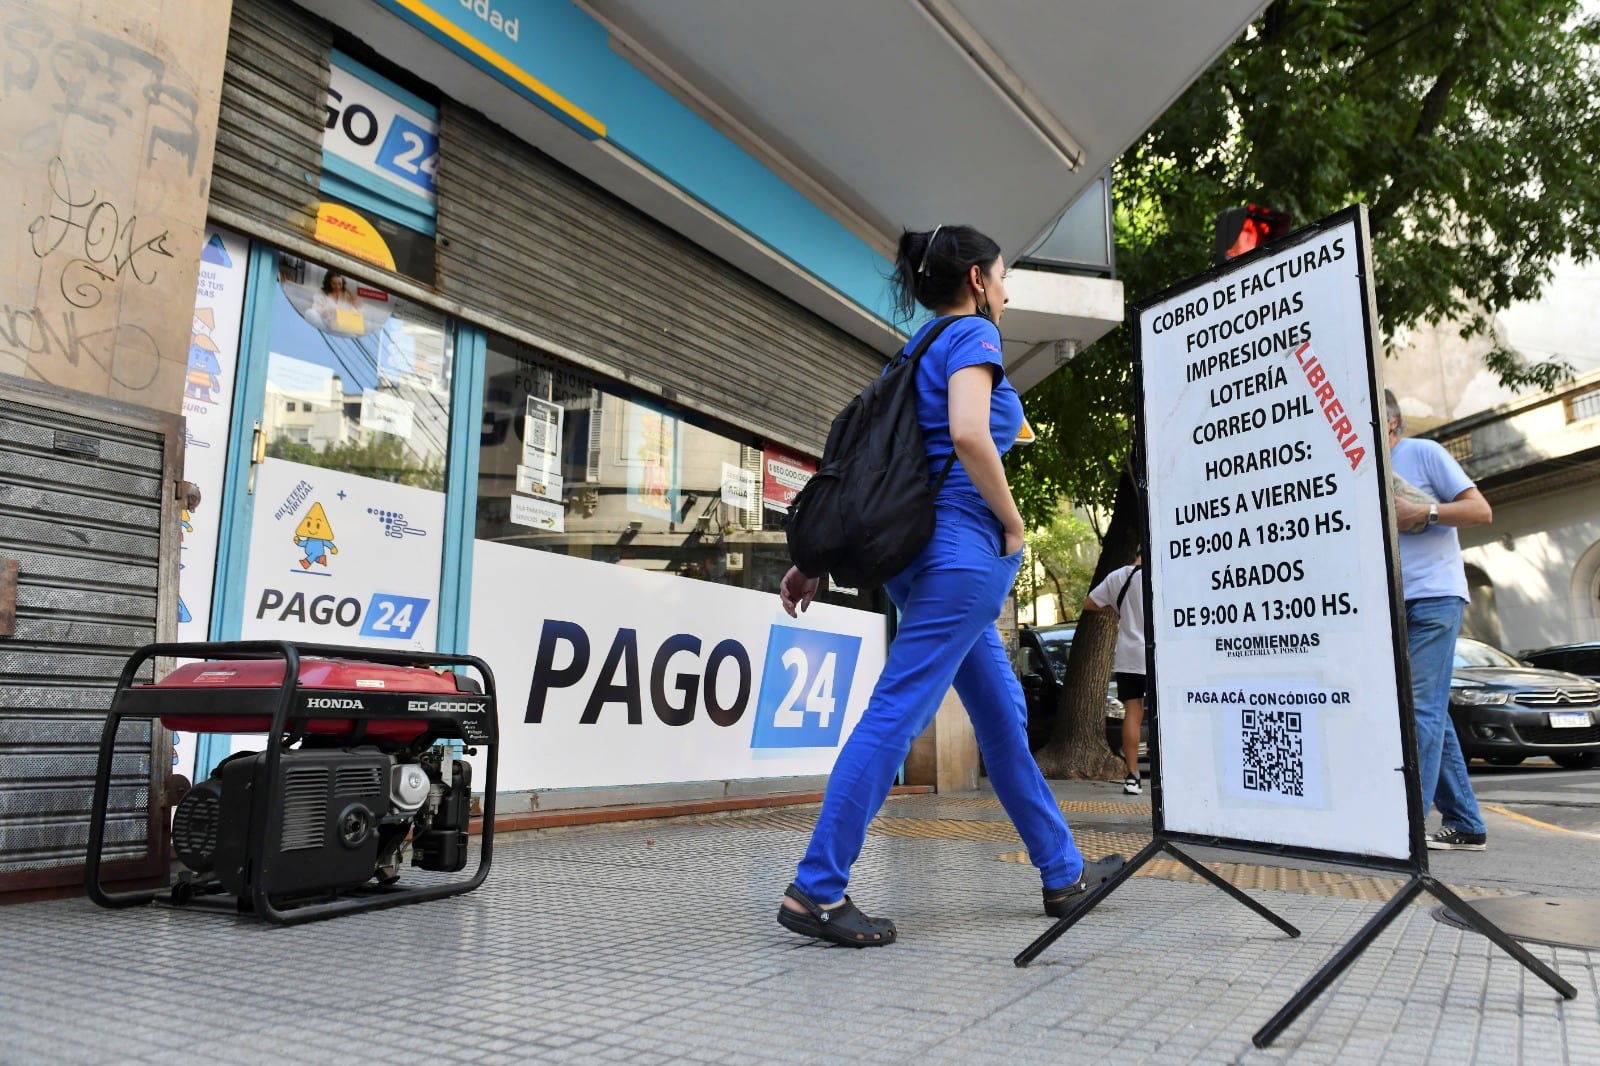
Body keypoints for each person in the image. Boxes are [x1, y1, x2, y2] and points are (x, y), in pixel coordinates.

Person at [775, 225, 1122, 947]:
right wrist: (1013, 522)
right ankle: (816, 889)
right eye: (1002, 276)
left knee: (1001, 719)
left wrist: (816, 559)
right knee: (894, 714)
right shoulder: (972, 336)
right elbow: (968, 434)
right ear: (975, 280)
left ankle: (1062, 871)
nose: (1007, 292)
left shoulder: (913, 353)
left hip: (919, 562)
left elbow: (875, 467)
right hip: (960, 558)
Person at [1386, 389, 1494, 850]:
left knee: (1418, 707)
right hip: (1391, 603)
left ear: (1390, 421)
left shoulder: (1423, 453)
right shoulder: (1361, 465)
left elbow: (1481, 511)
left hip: (1434, 597)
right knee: (1430, 710)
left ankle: (1408, 826)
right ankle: (1466, 822)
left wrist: (1423, 511)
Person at [1081, 551, 1146, 795]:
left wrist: (1117, 608)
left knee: (1133, 712)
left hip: (1129, 654)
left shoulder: (1118, 577)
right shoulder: (1161, 573)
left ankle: (1133, 776)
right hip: (1157, 653)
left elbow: (1089, 603)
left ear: (1135, 555)